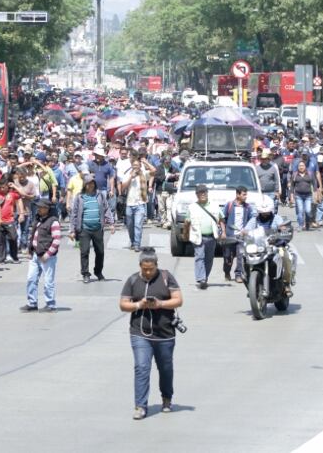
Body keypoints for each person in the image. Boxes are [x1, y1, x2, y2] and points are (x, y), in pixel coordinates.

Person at [119, 249, 183, 421]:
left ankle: (167, 399)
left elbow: (178, 299)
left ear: (156, 266)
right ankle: (140, 406)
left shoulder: (166, 277)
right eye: (145, 269)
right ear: (140, 266)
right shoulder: (133, 280)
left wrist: (160, 303)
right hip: (139, 332)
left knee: (165, 369)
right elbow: (123, 304)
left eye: (151, 269)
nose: (148, 272)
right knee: (141, 367)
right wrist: (139, 305)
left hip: (165, 333)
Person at [241, 196, 298, 295]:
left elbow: (283, 226)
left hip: (275, 246)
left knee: (285, 257)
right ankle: (248, 281)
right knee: (244, 257)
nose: (264, 214)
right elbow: (246, 230)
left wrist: (283, 229)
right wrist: (243, 233)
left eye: (266, 212)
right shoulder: (254, 220)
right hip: (260, 247)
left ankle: (286, 283)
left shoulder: (277, 218)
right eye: (262, 212)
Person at [20, 198, 61, 313]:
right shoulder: (37, 220)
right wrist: (30, 250)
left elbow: (57, 240)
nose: (38, 209)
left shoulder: (53, 222)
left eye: (41, 207)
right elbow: (33, 236)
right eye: (38, 207)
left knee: (48, 281)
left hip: (47, 257)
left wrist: (47, 255)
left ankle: (51, 304)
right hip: (35, 255)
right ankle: (32, 303)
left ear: (47, 209)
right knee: (31, 279)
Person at [70, 175, 112, 283]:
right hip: (84, 229)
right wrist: (72, 230)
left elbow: (106, 209)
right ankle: (85, 273)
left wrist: (111, 223)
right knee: (84, 252)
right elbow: (74, 214)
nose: (91, 185)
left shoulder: (100, 195)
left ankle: (98, 272)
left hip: (97, 228)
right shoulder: (80, 197)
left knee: (100, 252)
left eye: (92, 183)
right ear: (85, 184)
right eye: (88, 183)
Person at [186, 184, 223, 290]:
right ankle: (201, 278)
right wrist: (185, 234)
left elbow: (221, 219)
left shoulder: (214, 205)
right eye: (200, 193)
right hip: (197, 236)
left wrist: (223, 233)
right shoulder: (192, 207)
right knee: (199, 256)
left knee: (209, 258)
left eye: (204, 192)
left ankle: (205, 277)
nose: (202, 194)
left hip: (212, 236)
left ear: (207, 193)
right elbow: (187, 222)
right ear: (196, 195)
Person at [121, 157, 154, 251]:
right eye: (134, 165)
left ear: (140, 166)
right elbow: (123, 188)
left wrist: (146, 162)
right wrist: (131, 177)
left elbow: (154, 171)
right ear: (132, 165)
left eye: (137, 165)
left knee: (138, 225)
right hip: (130, 203)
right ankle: (132, 242)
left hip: (141, 203)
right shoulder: (128, 174)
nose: (136, 167)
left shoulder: (144, 173)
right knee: (130, 225)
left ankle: (137, 244)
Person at [221, 186, 254, 283]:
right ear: (237, 194)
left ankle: (238, 275)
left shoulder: (247, 207)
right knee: (228, 257)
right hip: (230, 236)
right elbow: (222, 219)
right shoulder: (229, 205)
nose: (245, 196)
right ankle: (227, 272)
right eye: (243, 194)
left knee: (240, 256)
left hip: (241, 237)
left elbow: (252, 219)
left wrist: (247, 230)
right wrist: (223, 232)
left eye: (246, 194)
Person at [0, 178, 23, 264]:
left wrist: (14, 186)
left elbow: (21, 194)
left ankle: (14, 256)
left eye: (4, 187)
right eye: (0, 187)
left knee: (13, 237)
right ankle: (1, 258)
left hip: (10, 220)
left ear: (7, 186)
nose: (2, 189)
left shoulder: (12, 194)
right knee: (0, 240)